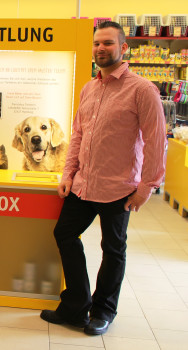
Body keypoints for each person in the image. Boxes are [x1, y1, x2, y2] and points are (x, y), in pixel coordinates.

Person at [39, 21, 166, 336]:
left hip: (119, 188)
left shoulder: (142, 90)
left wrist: (146, 187)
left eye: (108, 43)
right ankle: (75, 305)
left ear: (124, 48)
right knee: (65, 235)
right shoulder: (89, 88)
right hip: (83, 185)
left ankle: (103, 311)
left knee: (113, 249)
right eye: (97, 43)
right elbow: (78, 135)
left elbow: (156, 141)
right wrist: (68, 173)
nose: (101, 49)